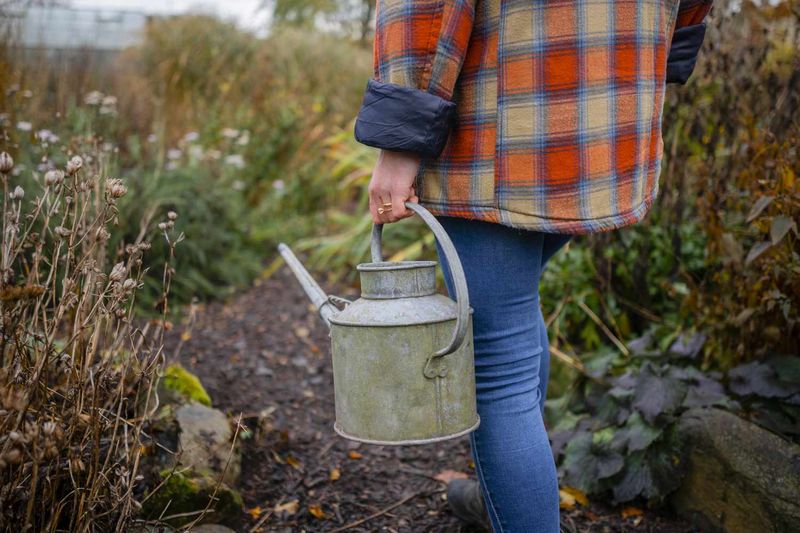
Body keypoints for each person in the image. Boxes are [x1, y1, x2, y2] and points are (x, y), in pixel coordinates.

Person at [353, 0, 713, 531]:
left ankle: (518, 505)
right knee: (513, 315)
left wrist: (400, 135)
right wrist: (657, 53)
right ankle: (505, 493)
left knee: (497, 364)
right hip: (611, 91)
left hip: (503, 108)